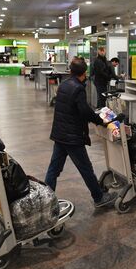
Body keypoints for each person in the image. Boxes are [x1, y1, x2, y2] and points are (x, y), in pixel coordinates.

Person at [45, 57, 117, 208]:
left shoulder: (64, 85)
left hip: (60, 134)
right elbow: (84, 111)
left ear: (71, 71)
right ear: (84, 73)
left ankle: (46, 201)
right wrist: (100, 121)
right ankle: (98, 198)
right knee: (86, 168)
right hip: (72, 137)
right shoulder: (78, 88)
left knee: (54, 169)